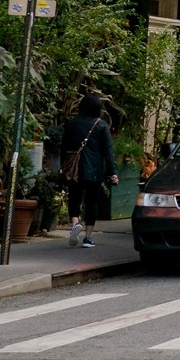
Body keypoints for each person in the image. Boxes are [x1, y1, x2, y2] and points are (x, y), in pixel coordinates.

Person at [63, 93, 117, 248]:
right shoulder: (101, 125)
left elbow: (65, 147)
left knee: (74, 198)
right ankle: (88, 237)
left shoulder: (71, 123)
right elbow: (108, 151)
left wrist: (63, 166)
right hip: (94, 170)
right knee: (91, 202)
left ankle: (75, 223)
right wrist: (112, 172)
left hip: (74, 169)